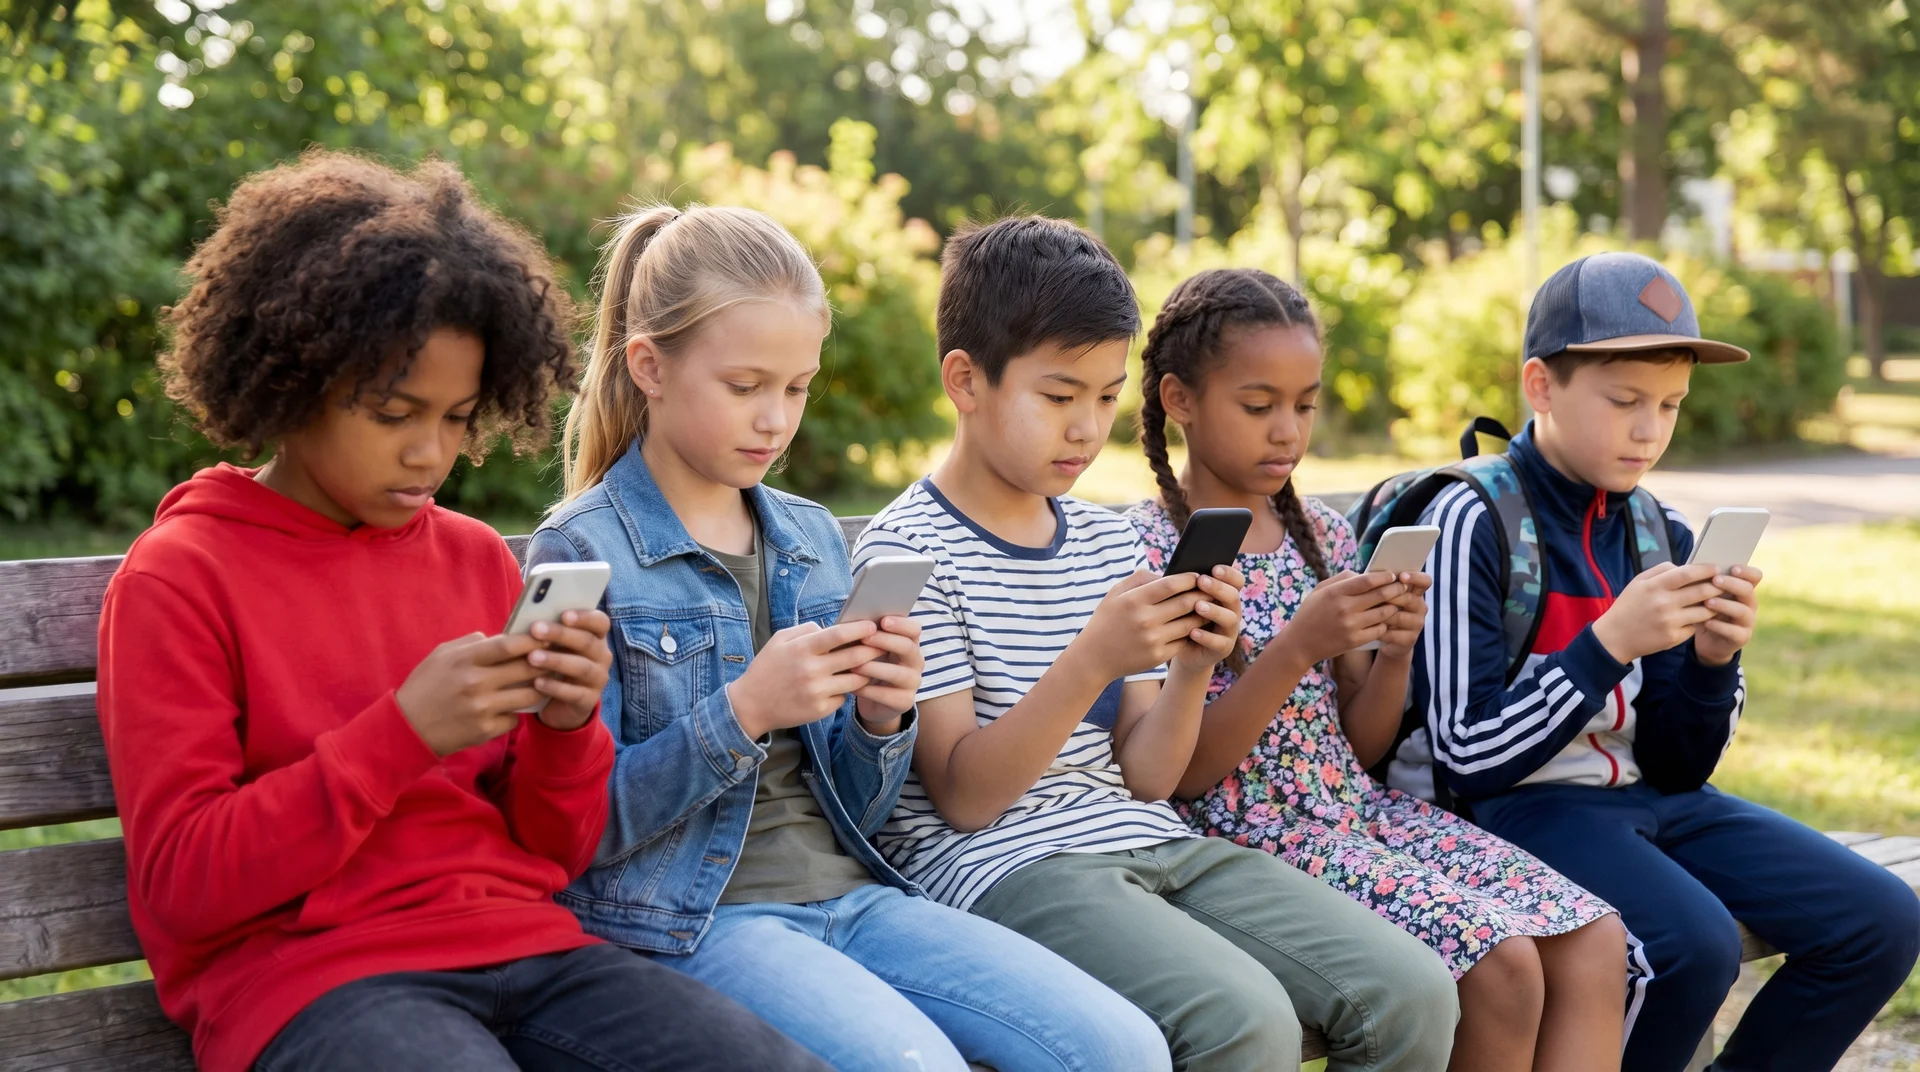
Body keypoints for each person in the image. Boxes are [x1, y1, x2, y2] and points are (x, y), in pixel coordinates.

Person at [94, 153, 826, 1072]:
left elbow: (554, 852)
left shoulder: (476, 557)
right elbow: (184, 886)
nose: (430, 454)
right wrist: (402, 733)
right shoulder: (181, 577)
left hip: (531, 951)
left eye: (456, 418)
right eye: (396, 413)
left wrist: (565, 728)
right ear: (292, 379)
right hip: (316, 982)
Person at [530, 203, 1171, 1072]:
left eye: (796, 388)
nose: (776, 420)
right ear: (649, 365)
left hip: (859, 897)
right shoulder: (584, 550)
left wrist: (880, 719)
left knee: (1122, 1049)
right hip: (700, 919)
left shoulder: (811, 539)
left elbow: (860, 810)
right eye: (746, 386)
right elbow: (572, 829)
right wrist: (746, 709)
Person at [854, 216, 1460, 1071]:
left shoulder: (1102, 540)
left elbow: (1148, 775)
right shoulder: (910, 551)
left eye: (1105, 398)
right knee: (1246, 1022)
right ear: (965, 380)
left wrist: (1193, 666)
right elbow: (965, 798)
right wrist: (1092, 659)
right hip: (1005, 865)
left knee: (1413, 991)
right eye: (1059, 397)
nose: (1086, 429)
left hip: (1150, 835)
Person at [1402, 251, 1920, 1072]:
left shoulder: (1664, 531)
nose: (1650, 430)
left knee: (1880, 919)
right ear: (1541, 386)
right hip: (1514, 811)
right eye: (1625, 401)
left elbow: (1681, 767)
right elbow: (1467, 758)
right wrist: (1608, 644)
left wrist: (1713, 663)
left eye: (1671, 404)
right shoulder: (1473, 516)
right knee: (1694, 946)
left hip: (1649, 800)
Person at [1126, 267, 1627, 1072]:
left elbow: (1359, 747)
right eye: (1258, 407)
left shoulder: (1318, 532)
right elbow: (1185, 777)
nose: (1287, 431)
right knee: (1502, 966)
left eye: (1305, 404)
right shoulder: (1154, 552)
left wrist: (1395, 651)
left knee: (1592, 941)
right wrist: (1296, 647)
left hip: (1356, 814)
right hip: (1248, 839)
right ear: (1179, 400)